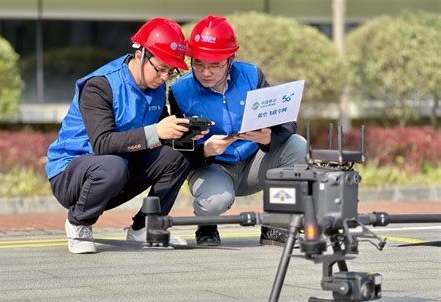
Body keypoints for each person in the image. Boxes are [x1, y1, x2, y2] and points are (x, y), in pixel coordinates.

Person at [46, 18, 204, 254]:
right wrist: (157, 132)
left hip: (120, 168)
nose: (164, 77)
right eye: (160, 69)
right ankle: (78, 223)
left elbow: (158, 135)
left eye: (171, 72)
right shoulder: (99, 86)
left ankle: (146, 226)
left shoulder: (157, 86)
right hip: (72, 176)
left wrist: (187, 134)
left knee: (179, 155)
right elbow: (102, 144)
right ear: (140, 55)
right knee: (112, 165)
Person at [168, 15, 307, 246]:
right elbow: (177, 148)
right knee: (215, 201)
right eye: (198, 64)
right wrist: (203, 150)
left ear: (230, 59)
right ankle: (207, 225)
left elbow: (286, 123)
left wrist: (269, 137)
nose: (205, 72)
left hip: (255, 162)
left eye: (215, 65)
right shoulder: (179, 91)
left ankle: (277, 226)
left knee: (297, 145)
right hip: (213, 168)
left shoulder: (252, 75)